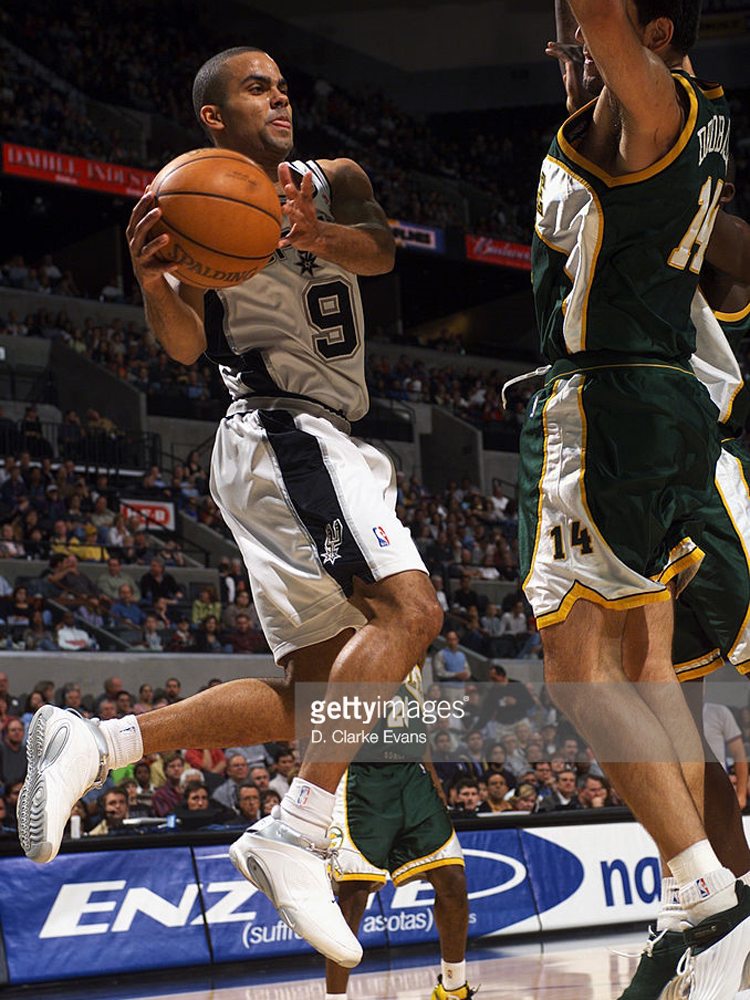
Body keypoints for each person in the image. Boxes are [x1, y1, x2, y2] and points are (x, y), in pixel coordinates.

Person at [19, 48, 442, 973]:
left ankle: (98, 740)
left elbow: (380, 247)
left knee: (316, 701)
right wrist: (150, 282)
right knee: (413, 612)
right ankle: (296, 829)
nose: (280, 95)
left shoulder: (332, 178)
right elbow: (180, 345)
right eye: (257, 87)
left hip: (320, 443)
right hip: (283, 430)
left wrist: (312, 232)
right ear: (214, 117)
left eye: (284, 84)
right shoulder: (187, 198)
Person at [520, 1, 748, 994]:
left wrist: (591, 29)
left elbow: (606, 13)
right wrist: (577, 65)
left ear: (650, 38)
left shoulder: (654, 103)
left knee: (574, 664)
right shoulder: (659, 122)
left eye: (583, 45)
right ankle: (700, 894)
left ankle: (705, 887)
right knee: (650, 661)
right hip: (655, 408)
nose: (571, 54)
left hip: (609, 402)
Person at [327, 665, 472, 1000]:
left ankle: (453, 988)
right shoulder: (343, 635)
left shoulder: (413, 649)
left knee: (453, 878)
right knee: (353, 895)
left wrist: (433, 780)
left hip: (410, 775)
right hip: (358, 775)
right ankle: (334, 997)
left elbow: (415, 724)